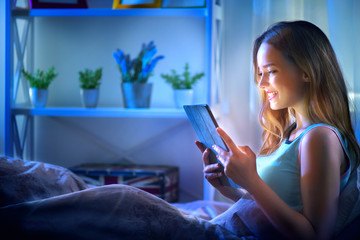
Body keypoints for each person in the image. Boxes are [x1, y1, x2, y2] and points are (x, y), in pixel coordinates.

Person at [196, 20, 360, 240]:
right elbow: (280, 208)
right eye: (260, 73)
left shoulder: (319, 138)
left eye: (271, 71)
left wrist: (251, 181)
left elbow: (315, 235)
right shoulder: (291, 133)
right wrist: (232, 190)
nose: (262, 84)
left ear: (307, 71)